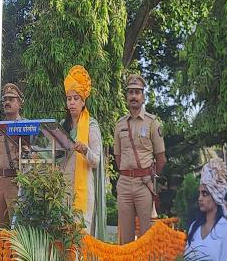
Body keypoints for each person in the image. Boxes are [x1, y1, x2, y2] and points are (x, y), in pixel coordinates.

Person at [113, 74, 166, 244]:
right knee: (125, 239)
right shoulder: (120, 124)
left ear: (143, 97)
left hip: (144, 184)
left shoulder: (152, 123)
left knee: (146, 238)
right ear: (126, 97)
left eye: (137, 92)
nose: (134, 96)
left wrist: (150, 177)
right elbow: (117, 156)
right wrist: (128, 173)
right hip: (125, 183)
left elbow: (161, 158)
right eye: (130, 92)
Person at [60, 65, 106, 237]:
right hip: (62, 190)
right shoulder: (61, 126)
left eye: (76, 98)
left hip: (83, 192)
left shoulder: (91, 125)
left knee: (80, 238)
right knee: (62, 238)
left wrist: (85, 150)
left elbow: (96, 160)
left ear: (83, 101)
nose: (71, 102)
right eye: (69, 98)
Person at [0, 83, 24, 227]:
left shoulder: (26, 126)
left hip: (16, 181)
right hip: (0, 180)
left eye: (11, 99)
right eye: (5, 100)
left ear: (19, 103)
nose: (7, 103)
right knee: (0, 226)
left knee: (17, 227)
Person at [185, 158, 227, 260]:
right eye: (199, 193)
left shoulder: (225, 229)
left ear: (216, 196)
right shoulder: (194, 227)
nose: (200, 198)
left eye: (205, 194)